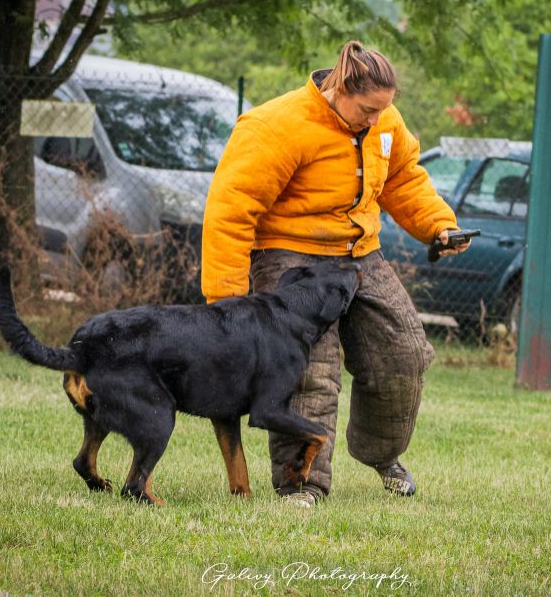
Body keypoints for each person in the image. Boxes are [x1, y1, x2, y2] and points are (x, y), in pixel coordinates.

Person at [201, 40, 469, 508]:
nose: (375, 119)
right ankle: (300, 484)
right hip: (291, 256)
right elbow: (230, 210)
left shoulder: (383, 120)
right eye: (367, 109)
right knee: (309, 373)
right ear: (340, 87)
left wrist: (440, 227)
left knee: (404, 354)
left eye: (383, 110)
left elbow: (405, 179)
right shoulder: (275, 126)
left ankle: (381, 456)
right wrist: (224, 303)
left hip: (360, 253)